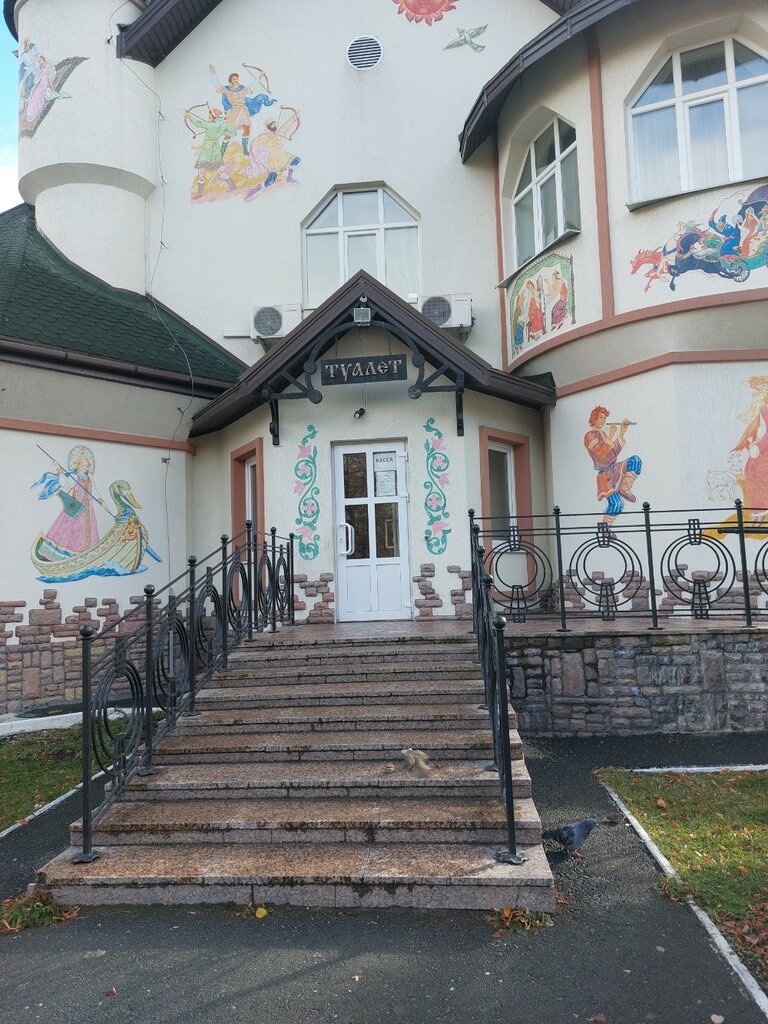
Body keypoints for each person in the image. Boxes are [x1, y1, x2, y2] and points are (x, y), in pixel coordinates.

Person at [32, 446, 103, 559]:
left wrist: (101, 500)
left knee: (89, 531)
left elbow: (94, 491)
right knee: (70, 531)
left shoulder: (90, 478)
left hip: (88, 511)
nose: (85, 468)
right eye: (83, 465)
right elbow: (64, 484)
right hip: (76, 509)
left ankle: (87, 554)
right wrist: (60, 472)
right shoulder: (74, 477)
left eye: (87, 466)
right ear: (77, 465)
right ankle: (68, 556)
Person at [584, 407, 642, 525]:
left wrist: (622, 432)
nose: (603, 420)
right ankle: (605, 528)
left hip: (614, 469)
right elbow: (601, 455)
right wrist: (610, 436)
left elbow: (613, 453)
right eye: (600, 417)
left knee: (635, 461)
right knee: (617, 504)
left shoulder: (603, 434)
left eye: (604, 418)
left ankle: (625, 488)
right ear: (594, 418)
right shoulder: (589, 436)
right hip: (605, 475)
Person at [209, 66, 277, 157]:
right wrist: (213, 72)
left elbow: (251, 88)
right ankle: (222, 152)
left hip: (243, 112)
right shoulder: (227, 89)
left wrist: (259, 77)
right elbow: (217, 86)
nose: (236, 80)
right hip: (233, 113)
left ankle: (245, 150)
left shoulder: (242, 89)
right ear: (230, 81)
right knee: (228, 133)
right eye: (234, 79)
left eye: (237, 79)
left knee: (247, 129)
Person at [244, 109, 301, 199]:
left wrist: (294, 118)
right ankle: (254, 190)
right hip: (273, 160)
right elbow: (254, 144)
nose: (275, 126)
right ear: (269, 126)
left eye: (275, 124)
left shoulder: (278, 133)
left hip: (282, 155)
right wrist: (259, 155)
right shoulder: (265, 136)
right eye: (273, 124)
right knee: (270, 181)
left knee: (296, 160)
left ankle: (289, 178)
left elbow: (286, 127)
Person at [732, 375, 768, 511]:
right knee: (751, 467)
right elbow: (757, 422)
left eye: (764, 386)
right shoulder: (760, 402)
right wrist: (755, 441)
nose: (763, 389)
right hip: (765, 439)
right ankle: (760, 508)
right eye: (760, 387)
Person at [184, 107, 238, 198]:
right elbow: (234, 132)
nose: (209, 116)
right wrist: (223, 132)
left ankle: (199, 193)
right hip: (215, 149)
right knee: (220, 170)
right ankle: (232, 186)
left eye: (210, 115)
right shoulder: (222, 124)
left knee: (201, 171)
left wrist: (188, 116)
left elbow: (198, 123)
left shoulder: (209, 125)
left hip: (206, 150)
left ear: (214, 116)